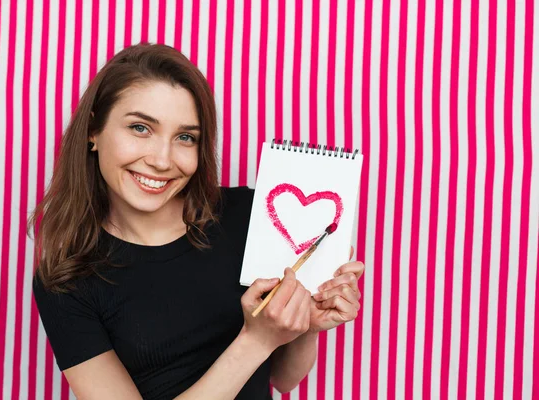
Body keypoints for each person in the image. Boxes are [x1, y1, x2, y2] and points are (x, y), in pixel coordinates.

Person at [30, 42, 364, 400]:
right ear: (93, 130)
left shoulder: (251, 217)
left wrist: (306, 324)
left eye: (185, 137)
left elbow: (283, 378)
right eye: (140, 128)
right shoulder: (67, 278)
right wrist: (256, 339)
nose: (161, 160)